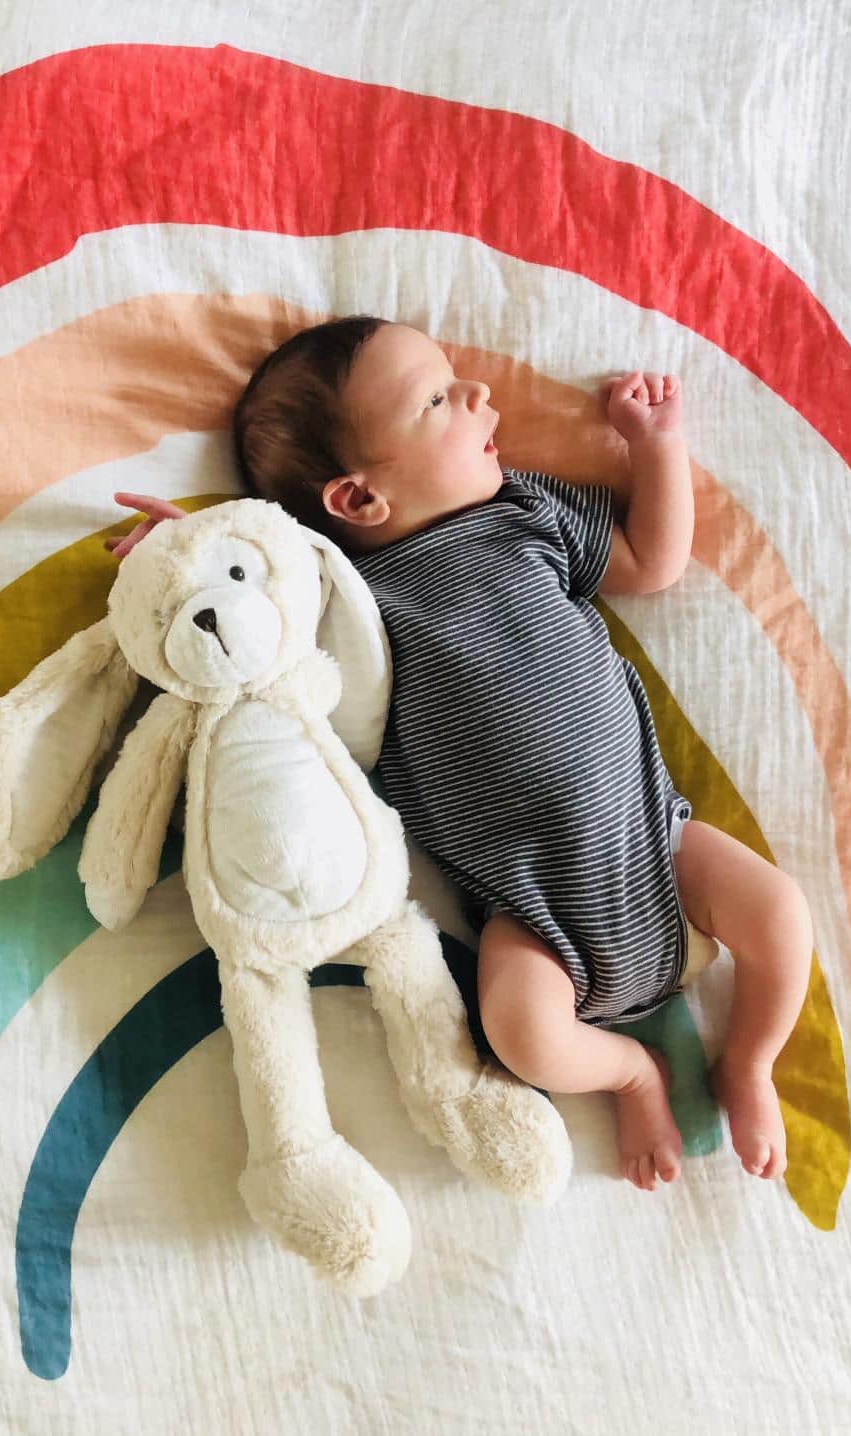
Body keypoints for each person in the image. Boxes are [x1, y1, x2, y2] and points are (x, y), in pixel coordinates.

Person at [115, 317, 812, 1192]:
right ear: (358, 498)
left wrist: (655, 447)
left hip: (659, 850)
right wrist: (190, 557)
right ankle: (633, 1073)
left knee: (779, 913)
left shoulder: (520, 511)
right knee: (524, 1037)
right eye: (438, 398)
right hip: (530, 915)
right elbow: (252, 594)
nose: (479, 395)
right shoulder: (345, 594)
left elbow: (649, 560)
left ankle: (747, 1061)